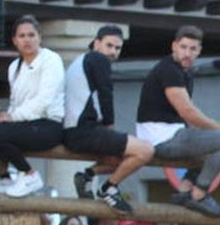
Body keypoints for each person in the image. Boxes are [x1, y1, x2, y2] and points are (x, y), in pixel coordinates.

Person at [136, 25, 220, 218]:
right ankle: (199, 195)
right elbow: (187, 111)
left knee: (215, 141)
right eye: (183, 47)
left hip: (171, 134)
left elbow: (185, 116)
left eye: (192, 49)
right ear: (174, 46)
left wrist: (214, 132)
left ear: (199, 51)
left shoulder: (183, 72)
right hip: (162, 138)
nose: (187, 53)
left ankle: (185, 189)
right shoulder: (169, 70)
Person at [63, 24, 154, 214]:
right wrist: (110, 125)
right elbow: (106, 93)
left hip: (74, 130)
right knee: (145, 151)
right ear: (96, 43)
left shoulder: (81, 60)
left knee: (120, 160)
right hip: (85, 130)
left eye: (117, 48)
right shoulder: (97, 58)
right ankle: (108, 189)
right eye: (109, 45)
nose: (113, 52)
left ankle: (88, 175)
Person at [0, 15, 64, 197]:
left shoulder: (51, 60)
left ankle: (30, 174)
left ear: (39, 37)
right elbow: (15, 101)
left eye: (31, 35)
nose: (27, 40)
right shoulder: (14, 66)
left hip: (48, 124)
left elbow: (44, 99)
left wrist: (12, 117)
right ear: (14, 40)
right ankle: (5, 177)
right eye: (22, 36)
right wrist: (7, 117)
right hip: (24, 123)